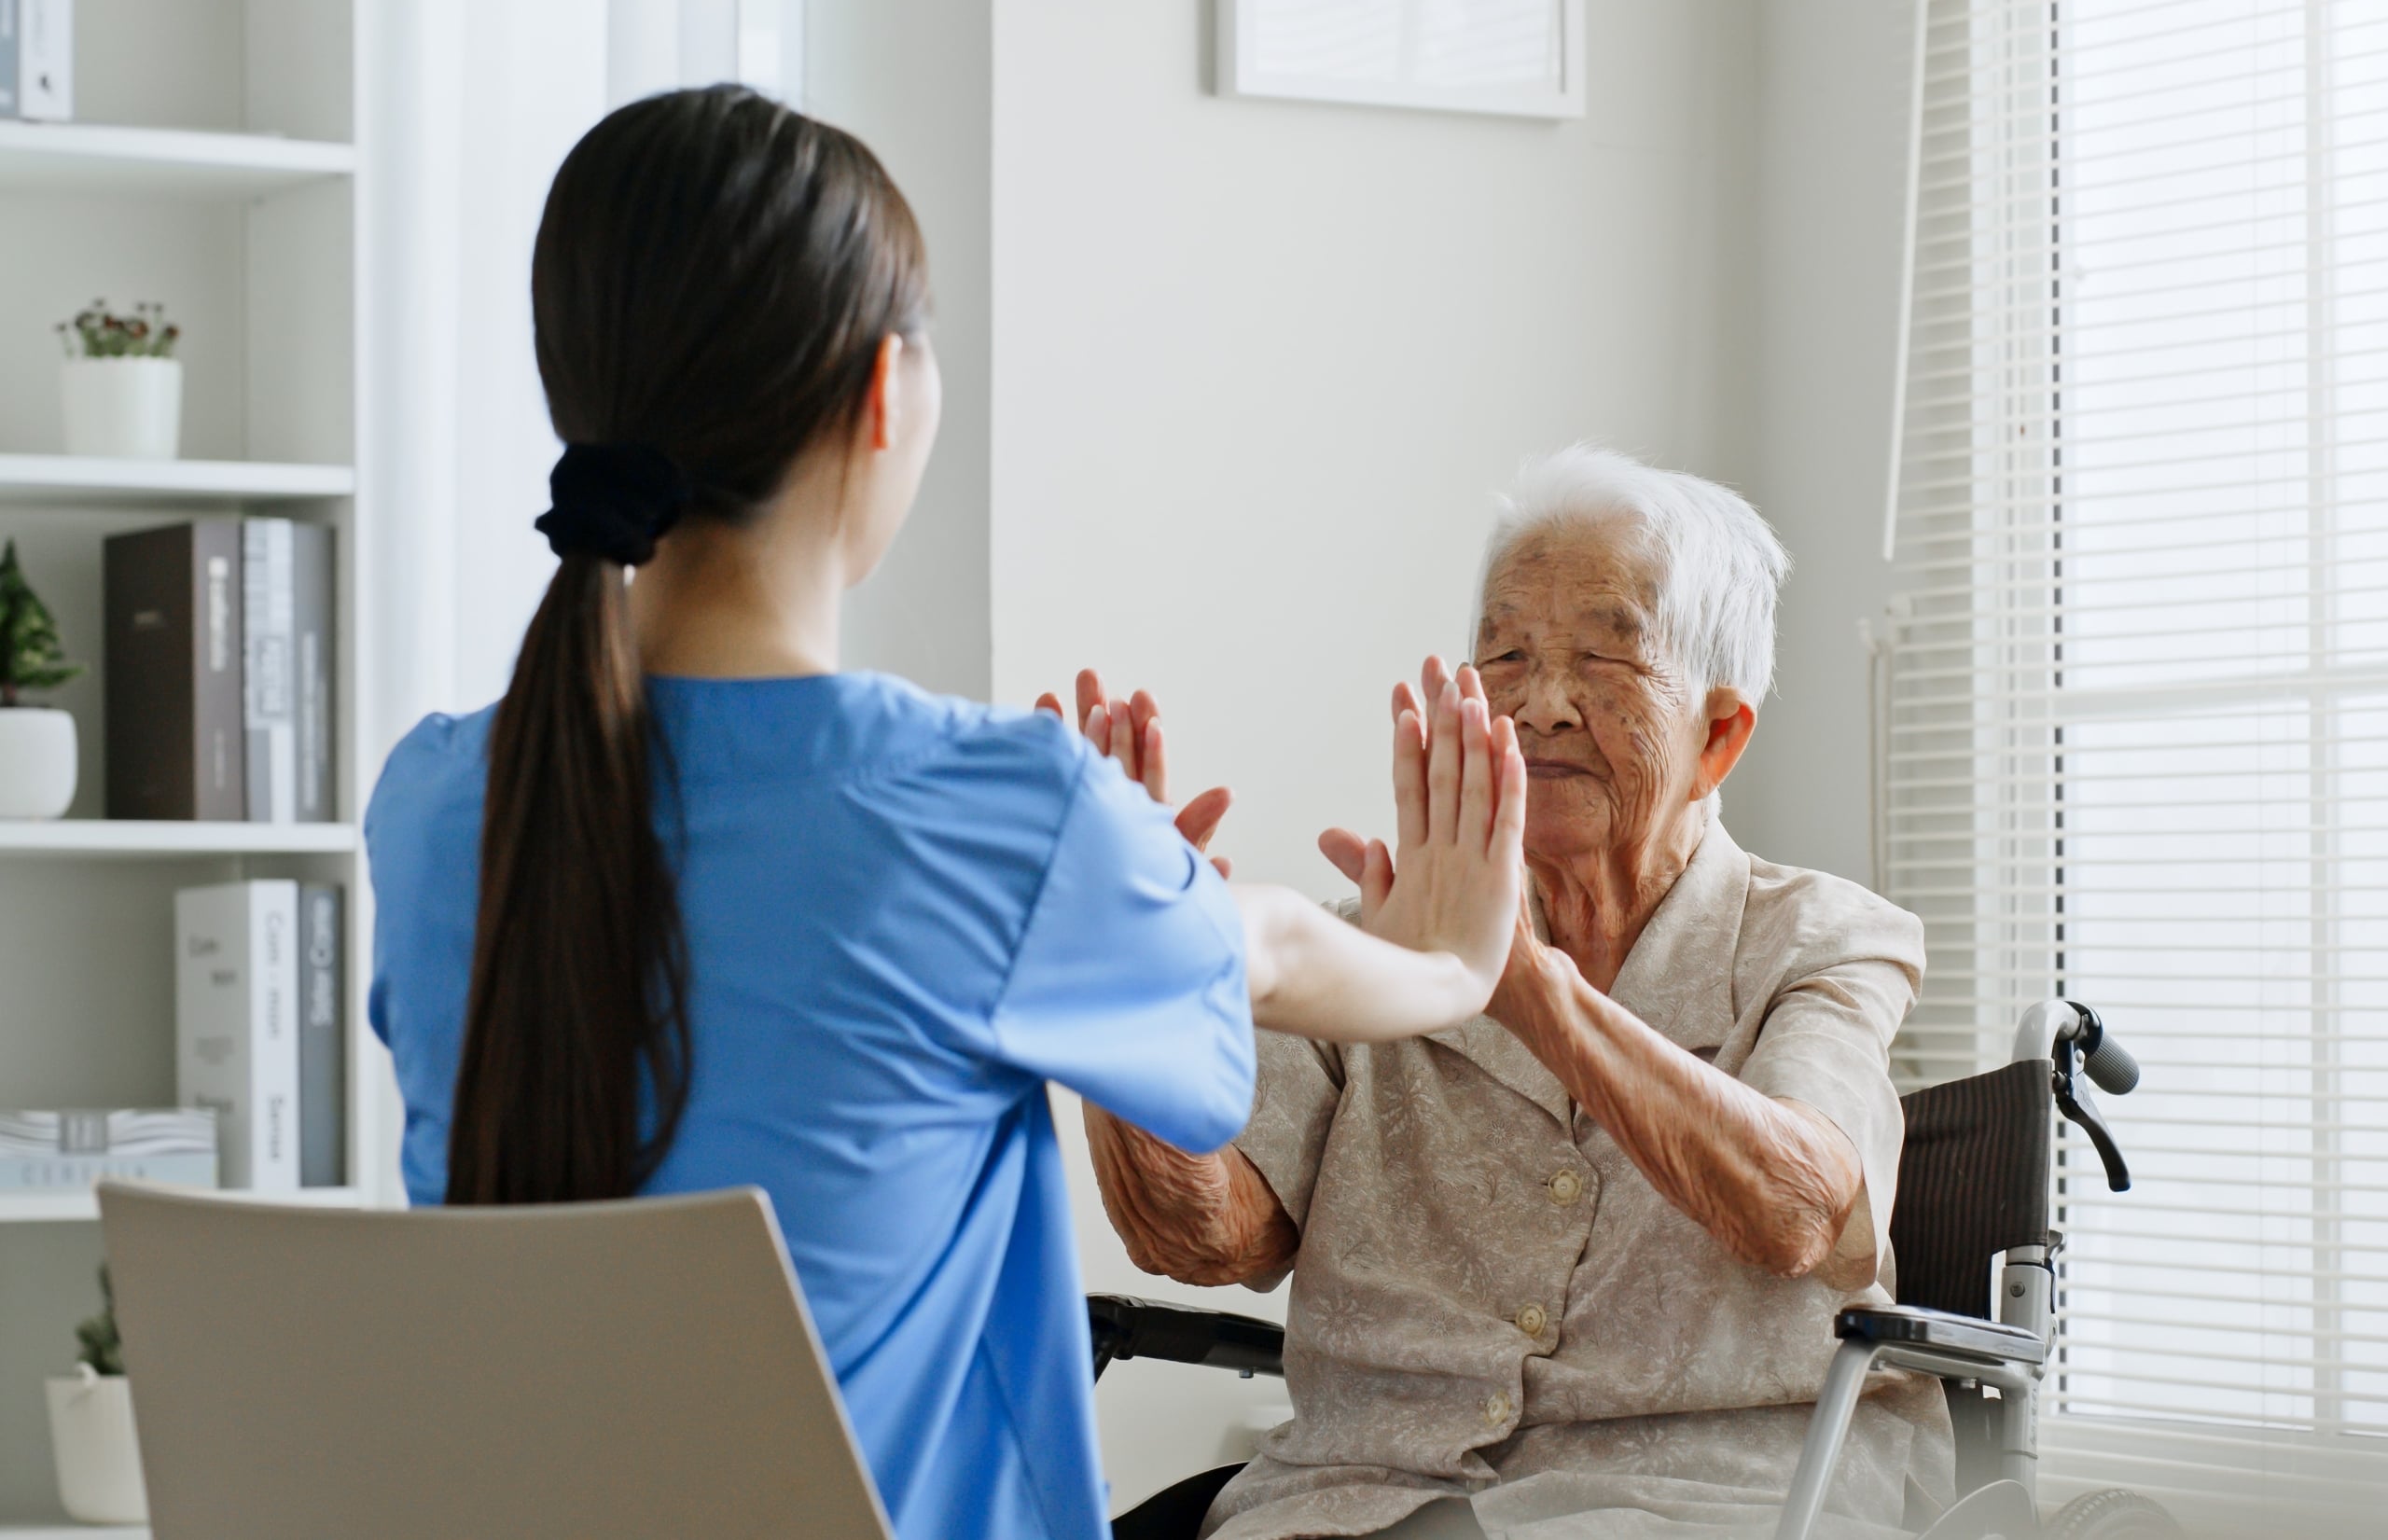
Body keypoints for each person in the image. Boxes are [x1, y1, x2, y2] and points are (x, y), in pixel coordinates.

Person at [363, 86, 1530, 1540]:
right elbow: (1279, 948)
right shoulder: (991, 815)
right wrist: (1452, 962)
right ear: (881, 392)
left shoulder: (430, 803)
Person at [1085, 447, 1950, 1540]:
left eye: (1605, 659)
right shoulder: (1377, 946)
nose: (1541, 705)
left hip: (1706, 1501)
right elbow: (1211, 1238)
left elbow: (1796, 1208)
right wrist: (1113, 1015)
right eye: (1503, 656)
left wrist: (1519, 986)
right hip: (1354, 1501)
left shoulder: (1820, 940)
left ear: (1718, 735)